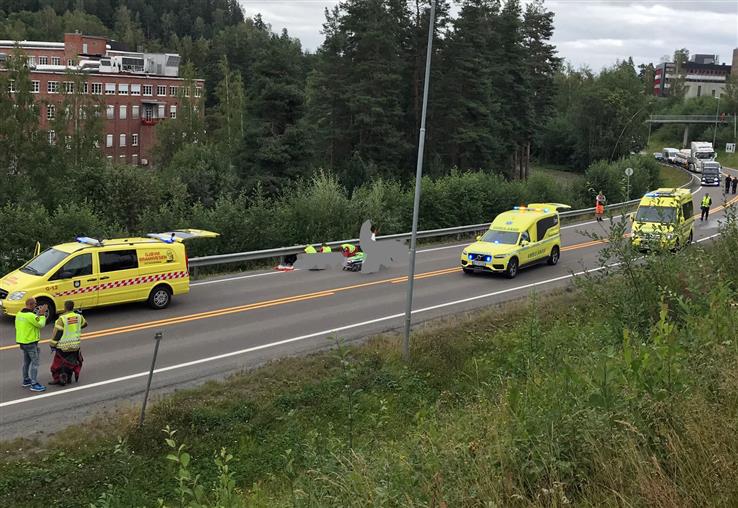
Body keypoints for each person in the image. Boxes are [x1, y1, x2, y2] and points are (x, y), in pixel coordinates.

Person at [49, 301, 86, 386]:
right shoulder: (79, 317)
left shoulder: (62, 319)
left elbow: (58, 332)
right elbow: (84, 324)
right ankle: (69, 378)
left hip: (63, 346)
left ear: (65, 308)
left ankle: (60, 379)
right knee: (71, 362)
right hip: (75, 345)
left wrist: (52, 344)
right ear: (73, 307)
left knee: (58, 364)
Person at [15, 297, 48, 392]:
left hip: (22, 342)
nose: (36, 306)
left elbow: (32, 320)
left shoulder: (19, 314)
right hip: (30, 343)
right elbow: (41, 324)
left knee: (26, 362)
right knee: (35, 363)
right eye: (35, 304)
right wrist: (42, 314)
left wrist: (38, 315)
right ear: (30, 304)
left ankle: (26, 380)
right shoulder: (30, 316)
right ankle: (34, 384)